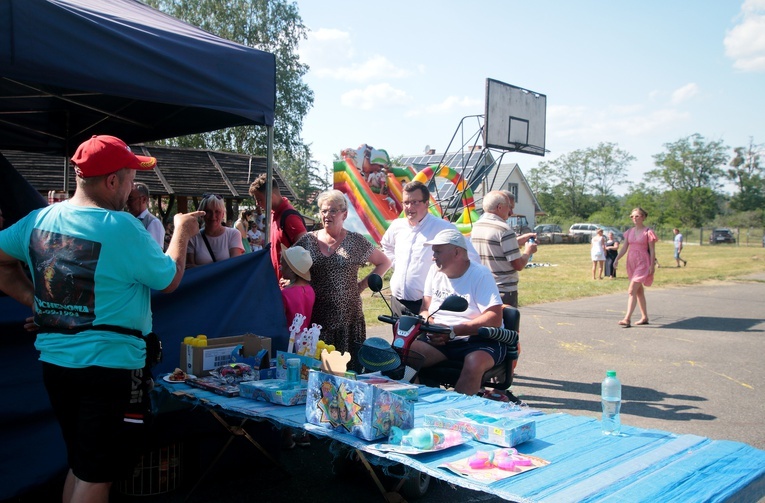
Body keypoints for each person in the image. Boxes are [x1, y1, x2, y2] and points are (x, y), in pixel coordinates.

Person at [0, 134, 203, 503]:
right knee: (97, 476)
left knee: (82, 466)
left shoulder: (37, 220)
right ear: (112, 181)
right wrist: (183, 232)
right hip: (110, 370)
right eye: (128, 178)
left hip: (56, 364)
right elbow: (169, 278)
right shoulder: (123, 226)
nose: (131, 187)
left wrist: (38, 302)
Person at [294, 189, 390, 360]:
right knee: (317, 369)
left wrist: (361, 286)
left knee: (348, 370)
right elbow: (290, 263)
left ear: (344, 215)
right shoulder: (308, 240)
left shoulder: (356, 240)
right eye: (323, 211)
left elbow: (384, 262)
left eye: (332, 211)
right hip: (317, 319)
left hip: (348, 319)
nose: (327, 215)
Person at [410, 229, 504, 397]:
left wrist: (453, 331)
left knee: (474, 363)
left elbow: (495, 318)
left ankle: (457, 413)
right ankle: (418, 402)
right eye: (433, 252)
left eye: (438, 251)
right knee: (405, 352)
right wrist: (430, 325)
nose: (433, 257)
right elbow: (425, 308)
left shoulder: (480, 274)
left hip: (478, 340)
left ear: (457, 252)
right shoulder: (434, 271)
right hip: (440, 339)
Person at [380, 180, 479, 316]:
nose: (409, 207)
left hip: (427, 306)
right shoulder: (397, 226)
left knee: (423, 338)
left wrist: (448, 280)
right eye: (406, 203)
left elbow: (471, 258)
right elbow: (386, 245)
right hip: (397, 302)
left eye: (415, 202)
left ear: (427, 203)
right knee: (399, 338)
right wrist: (397, 265)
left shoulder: (443, 228)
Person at [470, 191, 537, 307]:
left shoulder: (477, 226)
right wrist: (528, 251)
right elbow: (518, 265)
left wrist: (517, 241)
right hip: (504, 290)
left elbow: (494, 246)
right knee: (506, 324)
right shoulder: (504, 230)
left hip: (482, 286)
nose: (511, 212)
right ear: (499, 207)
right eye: (509, 207)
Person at [279, 244, 315, 449]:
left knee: (286, 384)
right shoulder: (310, 291)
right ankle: (305, 432)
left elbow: (282, 320)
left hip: (290, 344)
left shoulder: (285, 294)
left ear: (292, 269)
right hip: (307, 343)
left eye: (284, 263)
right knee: (304, 385)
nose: (281, 265)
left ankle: (286, 433)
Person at [249, 174, 307, 282]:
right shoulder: (273, 214)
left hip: (288, 288)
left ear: (271, 195)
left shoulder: (290, 217)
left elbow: (307, 249)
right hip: (277, 284)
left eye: (260, 199)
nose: (257, 204)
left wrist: (294, 280)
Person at [613, 207, 657, 327]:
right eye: (632, 216)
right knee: (639, 291)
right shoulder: (629, 232)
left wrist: (652, 265)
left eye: (637, 216)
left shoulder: (648, 232)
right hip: (631, 262)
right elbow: (624, 247)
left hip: (643, 262)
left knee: (632, 290)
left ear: (643, 217)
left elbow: (652, 250)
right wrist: (617, 259)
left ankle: (627, 319)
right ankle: (644, 317)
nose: (634, 218)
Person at [186, 194, 244, 268]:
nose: (213, 216)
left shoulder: (233, 234)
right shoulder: (193, 237)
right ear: (201, 214)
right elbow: (189, 268)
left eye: (217, 211)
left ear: (223, 214)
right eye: (208, 211)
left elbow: (235, 265)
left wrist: (200, 267)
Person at [126, 182, 164, 248]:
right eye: (127, 199)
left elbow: (154, 251)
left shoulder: (153, 222)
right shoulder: (129, 220)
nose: (127, 203)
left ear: (143, 199)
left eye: (131, 199)